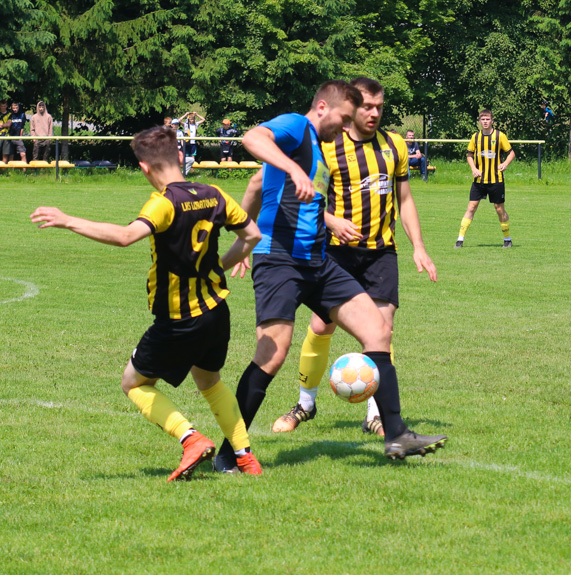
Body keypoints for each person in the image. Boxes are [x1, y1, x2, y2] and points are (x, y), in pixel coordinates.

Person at [212, 80, 446, 472]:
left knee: (377, 331)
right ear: (322, 107)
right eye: (341, 119)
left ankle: (396, 433)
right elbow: (253, 139)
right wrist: (248, 237)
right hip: (280, 260)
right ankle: (228, 453)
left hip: (318, 261)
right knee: (271, 355)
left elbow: (268, 188)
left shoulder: (321, 150)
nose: (344, 128)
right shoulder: (294, 127)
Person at [30, 125, 264, 482]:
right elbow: (252, 235)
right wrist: (219, 266)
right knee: (210, 382)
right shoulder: (214, 193)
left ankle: (191, 439)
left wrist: (68, 220)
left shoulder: (163, 203)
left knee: (133, 384)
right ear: (180, 157)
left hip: (179, 319)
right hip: (217, 310)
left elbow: (126, 237)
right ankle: (246, 458)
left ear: (144, 168)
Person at [271, 77, 437, 438]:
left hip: (381, 252)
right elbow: (306, 196)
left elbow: (405, 199)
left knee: (382, 332)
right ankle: (305, 404)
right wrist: (332, 221)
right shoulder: (328, 145)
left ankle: (375, 415)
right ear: (352, 107)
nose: (374, 113)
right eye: (367, 107)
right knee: (320, 327)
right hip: (334, 252)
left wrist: (419, 246)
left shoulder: (394, 145)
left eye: (380, 106)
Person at [454, 109, 515, 248]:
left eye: (488, 119)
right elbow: (469, 155)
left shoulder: (500, 136)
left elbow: (511, 153)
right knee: (471, 207)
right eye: (483, 119)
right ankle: (460, 239)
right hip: (479, 180)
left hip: (496, 179)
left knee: (499, 209)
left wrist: (505, 164)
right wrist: (473, 169)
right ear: (480, 121)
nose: (485, 122)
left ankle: (507, 239)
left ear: (492, 120)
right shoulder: (475, 137)